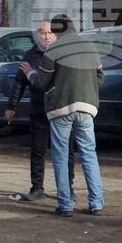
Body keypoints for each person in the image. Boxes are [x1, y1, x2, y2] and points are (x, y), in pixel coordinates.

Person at [20, 14, 105, 217]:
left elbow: (41, 81)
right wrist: (87, 89)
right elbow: (100, 77)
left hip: (61, 108)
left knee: (60, 155)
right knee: (89, 154)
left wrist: (30, 73)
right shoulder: (90, 47)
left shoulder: (55, 49)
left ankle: (65, 205)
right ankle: (96, 203)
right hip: (87, 107)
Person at [5, 19, 76, 202]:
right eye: (42, 32)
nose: (46, 36)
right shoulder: (30, 55)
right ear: (37, 34)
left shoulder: (64, 53)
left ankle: (68, 188)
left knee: (66, 150)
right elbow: (20, 82)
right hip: (39, 108)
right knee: (37, 150)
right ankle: (37, 187)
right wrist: (12, 105)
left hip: (62, 109)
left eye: (49, 32)